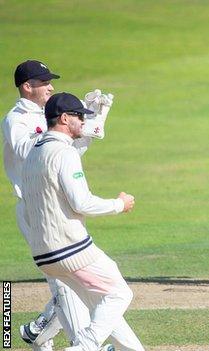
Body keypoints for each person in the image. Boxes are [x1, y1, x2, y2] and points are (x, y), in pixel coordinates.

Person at [20, 92, 144, 351]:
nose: (83, 122)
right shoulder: (64, 153)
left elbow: (29, 209)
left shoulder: (34, 154)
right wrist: (119, 204)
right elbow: (82, 203)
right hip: (72, 249)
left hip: (44, 254)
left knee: (101, 303)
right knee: (120, 293)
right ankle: (84, 347)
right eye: (79, 117)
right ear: (65, 118)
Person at [2, 60, 102, 350]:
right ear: (27, 86)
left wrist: (86, 122)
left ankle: (39, 329)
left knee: (75, 273)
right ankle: (82, 343)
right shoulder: (15, 119)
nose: (51, 87)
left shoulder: (50, 116)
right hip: (34, 208)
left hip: (59, 205)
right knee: (63, 279)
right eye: (44, 83)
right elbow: (25, 149)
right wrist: (61, 125)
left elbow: (69, 152)